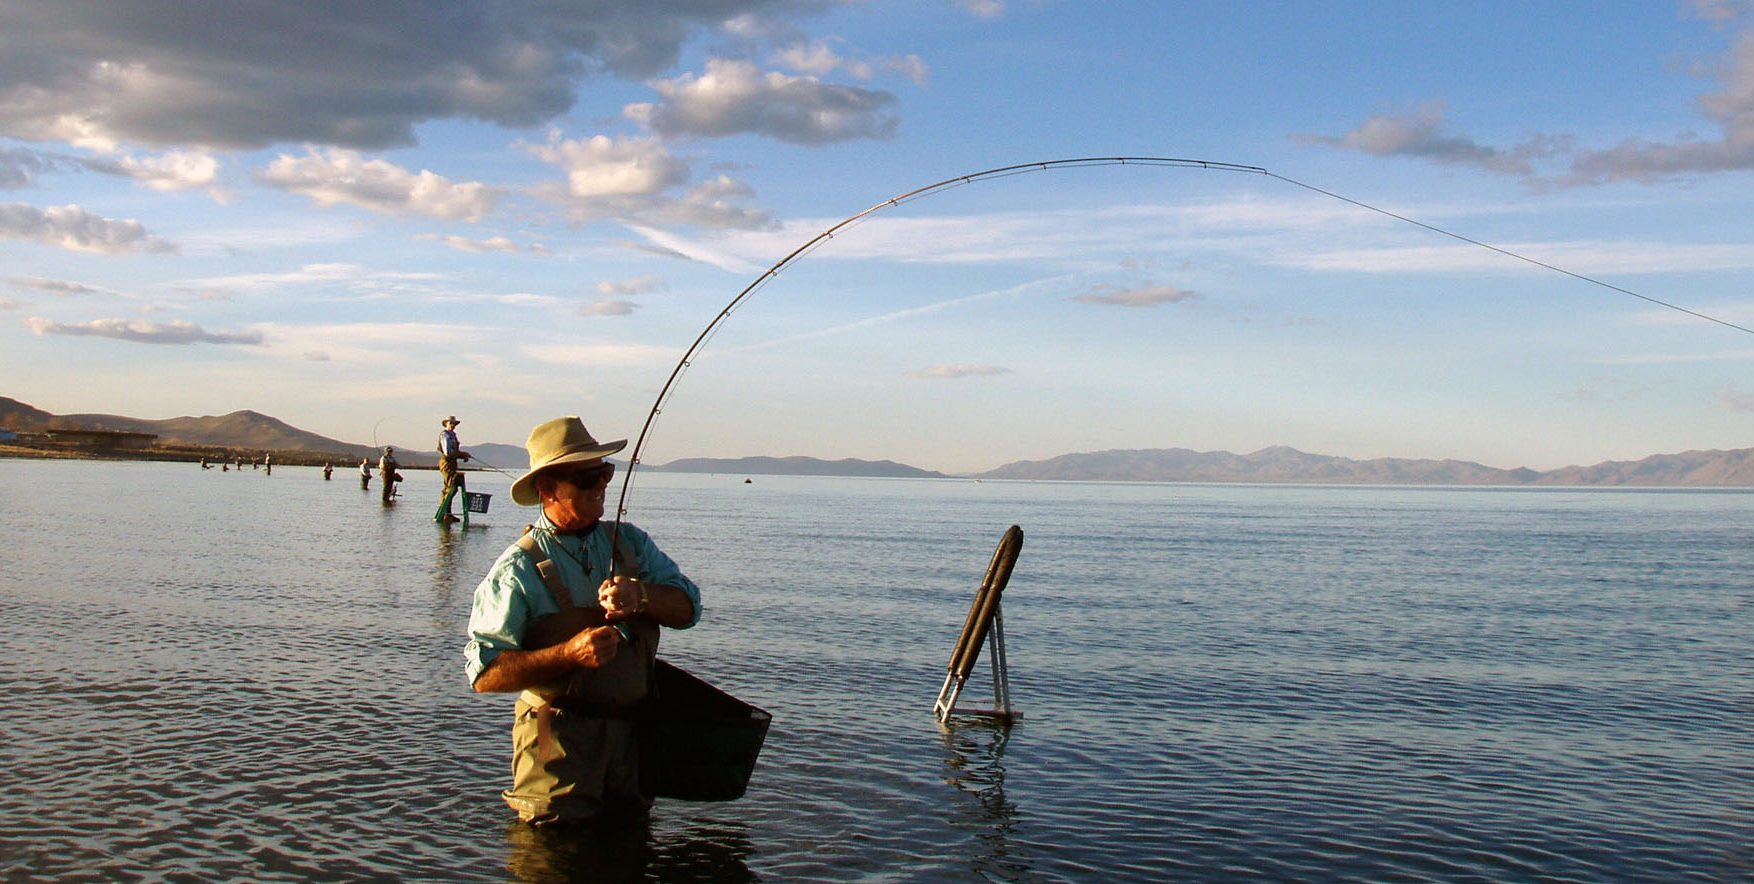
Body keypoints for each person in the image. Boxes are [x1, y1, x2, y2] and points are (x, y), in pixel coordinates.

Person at [464, 415, 701, 827]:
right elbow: (485, 674)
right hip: (553, 750)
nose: (601, 484)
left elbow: (688, 610)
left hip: (633, 745)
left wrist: (641, 596)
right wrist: (568, 654)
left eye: (604, 472)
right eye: (586, 476)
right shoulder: (516, 568)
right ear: (548, 490)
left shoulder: (632, 543)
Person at [435, 415, 472, 523]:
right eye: (450, 423)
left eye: (454, 424)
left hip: (452, 463)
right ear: (446, 424)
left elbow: (454, 452)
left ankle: (448, 513)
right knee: (449, 487)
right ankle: (445, 513)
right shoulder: (444, 435)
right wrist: (462, 454)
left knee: (453, 487)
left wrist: (463, 455)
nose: (452, 425)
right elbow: (448, 452)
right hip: (446, 463)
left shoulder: (453, 435)